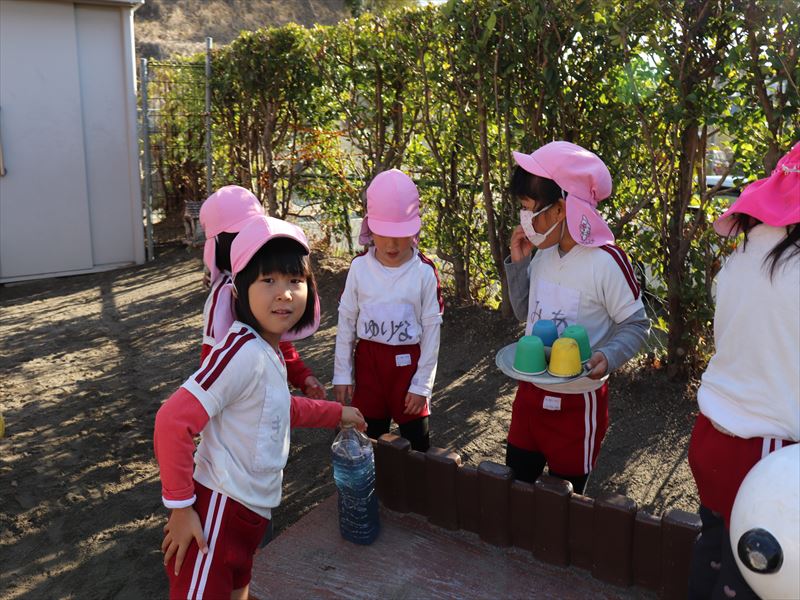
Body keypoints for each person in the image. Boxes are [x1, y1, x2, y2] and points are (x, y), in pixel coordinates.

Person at [154, 215, 365, 600]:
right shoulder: (240, 352)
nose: (283, 293)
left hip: (249, 514)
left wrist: (337, 413)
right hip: (215, 516)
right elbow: (172, 421)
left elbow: (279, 408)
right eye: (268, 280)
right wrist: (182, 508)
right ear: (240, 290)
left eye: (295, 280)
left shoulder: (268, 349)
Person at [687, 142, 800, 600]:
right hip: (764, 453)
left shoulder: (746, 252)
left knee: (713, 548)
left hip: (712, 435)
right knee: (751, 581)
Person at [504, 141, 649, 493]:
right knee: (515, 484)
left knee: (564, 497)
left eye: (528, 209)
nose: (524, 219)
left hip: (578, 403)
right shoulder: (544, 254)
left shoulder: (606, 261)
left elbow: (636, 324)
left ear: (561, 209)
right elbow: (525, 312)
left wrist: (608, 356)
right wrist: (519, 264)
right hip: (529, 393)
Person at [332, 169, 443, 452]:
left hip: (408, 367)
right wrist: (342, 374)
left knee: (417, 445)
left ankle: (416, 483)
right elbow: (346, 321)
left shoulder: (424, 272)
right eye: (383, 233)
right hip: (369, 365)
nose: (392, 244)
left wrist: (422, 386)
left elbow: (432, 332)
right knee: (367, 440)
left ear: (414, 230)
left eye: (401, 234)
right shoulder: (359, 268)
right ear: (370, 228)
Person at [199, 185, 326, 399]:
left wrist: (301, 375)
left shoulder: (260, 281)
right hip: (244, 402)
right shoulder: (226, 294)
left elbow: (277, 337)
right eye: (238, 236)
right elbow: (211, 359)